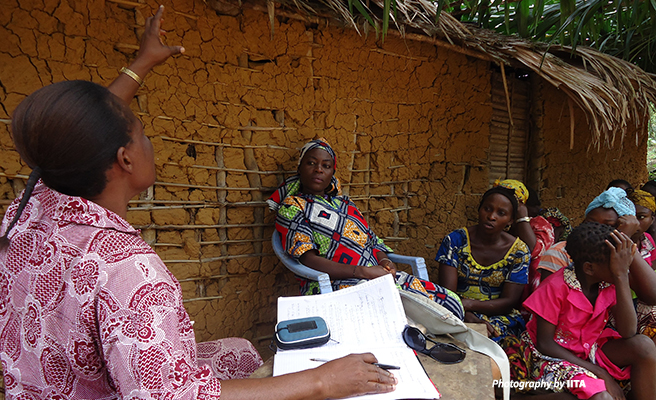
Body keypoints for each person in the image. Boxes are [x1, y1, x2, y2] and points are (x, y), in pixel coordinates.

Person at [0, 8, 397, 400]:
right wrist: (321, 382)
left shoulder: (30, 207)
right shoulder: (126, 273)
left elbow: (74, 136)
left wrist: (143, 63)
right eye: (142, 134)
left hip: (43, 386)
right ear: (124, 159)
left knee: (240, 352)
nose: (148, 142)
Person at [268, 138, 465, 320]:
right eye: (311, 163)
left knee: (451, 303)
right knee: (392, 315)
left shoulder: (346, 204)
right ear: (300, 167)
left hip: (376, 276)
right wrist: (361, 271)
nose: (319, 169)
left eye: (326, 166)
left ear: (332, 172)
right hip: (336, 284)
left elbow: (371, 241)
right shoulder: (293, 206)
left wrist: (385, 261)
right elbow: (307, 259)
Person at [507, 222, 656, 399]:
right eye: (615, 264)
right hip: (551, 357)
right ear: (589, 268)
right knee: (602, 397)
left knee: (644, 346)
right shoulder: (555, 287)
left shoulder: (608, 282)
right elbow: (545, 344)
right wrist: (600, 372)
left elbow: (628, 331)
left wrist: (621, 277)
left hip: (589, 349)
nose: (622, 268)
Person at [436, 186, 530, 341]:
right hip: (454, 310)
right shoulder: (455, 241)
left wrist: (470, 305)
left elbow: (509, 301)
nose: (491, 216)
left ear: (511, 220)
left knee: (492, 337)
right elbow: (448, 294)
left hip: (499, 315)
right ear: (479, 210)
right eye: (487, 209)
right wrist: (466, 314)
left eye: (501, 213)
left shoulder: (519, 251)